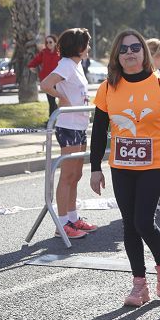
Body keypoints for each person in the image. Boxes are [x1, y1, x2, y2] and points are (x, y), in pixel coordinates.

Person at [89, 30, 160, 304]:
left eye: (136, 47)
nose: (130, 53)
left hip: (153, 162)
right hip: (121, 165)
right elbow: (99, 131)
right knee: (129, 226)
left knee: (143, 222)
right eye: (124, 49)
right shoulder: (107, 87)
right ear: (117, 56)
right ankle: (139, 285)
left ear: (144, 53)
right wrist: (95, 168)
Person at [40, 28, 96, 240]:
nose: (89, 48)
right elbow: (45, 84)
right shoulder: (65, 64)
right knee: (68, 175)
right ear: (79, 47)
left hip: (79, 126)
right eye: (87, 44)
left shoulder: (76, 65)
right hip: (68, 126)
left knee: (77, 174)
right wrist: (60, 97)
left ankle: (72, 217)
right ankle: (62, 224)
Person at [28, 34, 61, 119]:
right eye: (47, 42)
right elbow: (35, 61)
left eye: (50, 42)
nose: (48, 44)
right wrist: (31, 66)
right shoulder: (43, 52)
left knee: (57, 101)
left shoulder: (60, 53)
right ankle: (51, 120)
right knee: (51, 102)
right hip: (47, 81)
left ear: (55, 43)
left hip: (58, 81)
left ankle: (55, 119)